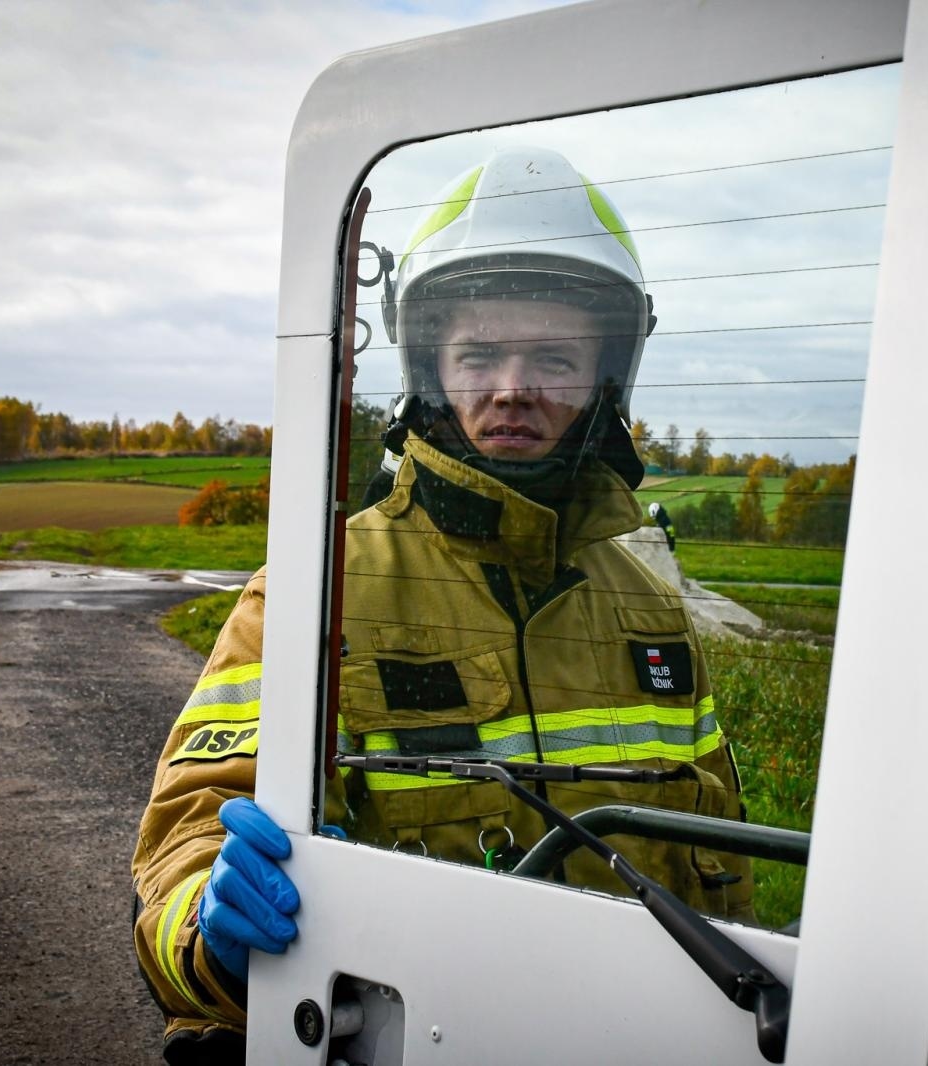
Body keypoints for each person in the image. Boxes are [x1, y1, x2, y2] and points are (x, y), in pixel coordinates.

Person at [131, 146, 752, 1063]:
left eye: (552, 357)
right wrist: (208, 932)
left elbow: (723, 877)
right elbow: (183, 847)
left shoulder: (648, 610)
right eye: (481, 354)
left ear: (605, 376)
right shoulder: (316, 591)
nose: (513, 387)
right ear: (431, 365)